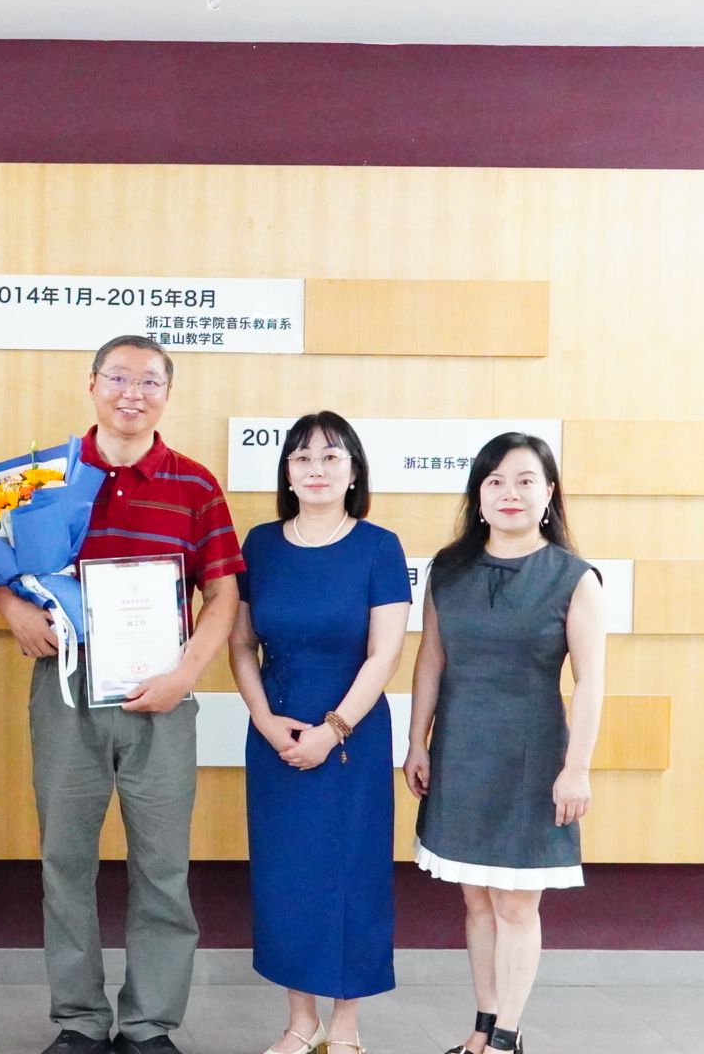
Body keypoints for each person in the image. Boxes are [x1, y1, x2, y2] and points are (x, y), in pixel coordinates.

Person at [0, 334, 243, 1054]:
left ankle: (151, 1023)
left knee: (163, 866)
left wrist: (186, 674)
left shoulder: (195, 484)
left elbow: (223, 594)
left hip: (164, 693)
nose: (133, 393)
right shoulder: (44, 477)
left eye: (150, 381)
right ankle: (79, 1020)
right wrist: (13, 612)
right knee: (66, 860)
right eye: (119, 377)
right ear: (92, 384)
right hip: (66, 687)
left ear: (167, 393)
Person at [404, 432, 606, 1054]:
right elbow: (431, 659)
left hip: (533, 760)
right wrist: (417, 742)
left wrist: (577, 769)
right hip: (461, 752)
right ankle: (483, 1026)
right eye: (494, 481)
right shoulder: (448, 569)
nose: (508, 493)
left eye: (524, 480)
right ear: (479, 494)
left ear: (549, 493)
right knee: (476, 899)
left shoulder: (574, 578)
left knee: (517, 904)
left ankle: (507, 1038)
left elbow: (591, 681)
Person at [226, 411, 410, 1054]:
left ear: (354, 471)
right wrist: (262, 718)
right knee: (288, 877)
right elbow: (241, 644)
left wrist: (333, 731)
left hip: (352, 736)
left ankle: (347, 1026)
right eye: (302, 458)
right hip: (276, 730)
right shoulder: (260, 545)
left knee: (352, 875)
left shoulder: (379, 546)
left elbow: (384, 655)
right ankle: (300, 1023)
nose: (316, 469)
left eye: (332, 457)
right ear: (286, 472)